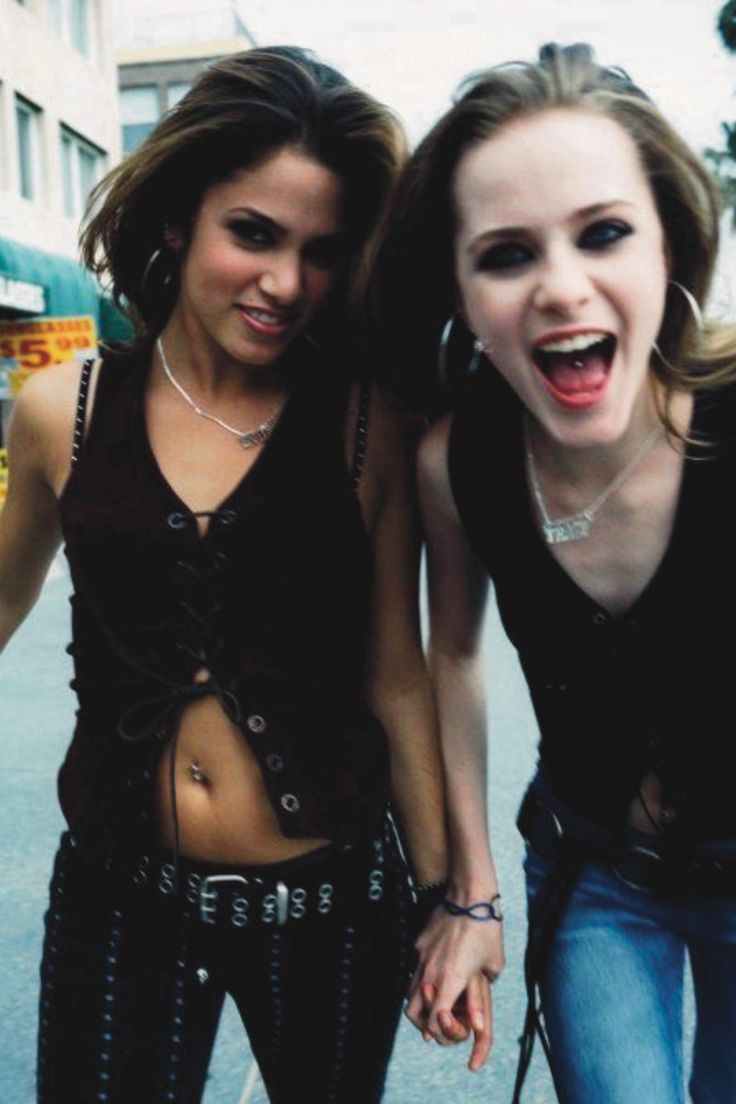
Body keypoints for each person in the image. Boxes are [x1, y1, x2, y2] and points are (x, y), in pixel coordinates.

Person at [0, 46, 452, 1103]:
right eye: (252, 233)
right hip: (123, 896)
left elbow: (397, 669)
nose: (285, 284)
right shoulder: (60, 411)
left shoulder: (365, 423)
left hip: (333, 905)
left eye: (322, 252)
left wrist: (453, 900)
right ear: (177, 219)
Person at [380, 41, 736, 1103]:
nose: (561, 287)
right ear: (458, 289)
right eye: (505, 255)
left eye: (604, 233)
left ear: (667, 241)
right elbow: (450, 657)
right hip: (596, 881)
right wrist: (470, 893)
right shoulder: (458, 464)